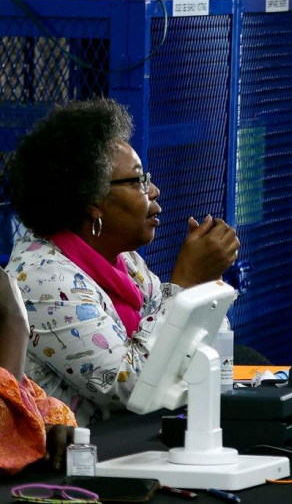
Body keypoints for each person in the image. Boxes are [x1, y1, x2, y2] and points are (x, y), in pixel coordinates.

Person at [5, 98, 240, 426]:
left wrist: (202, 288)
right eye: (137, 181)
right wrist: (188, 285)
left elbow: (204, 354)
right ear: (93, 202)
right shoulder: (43, 281)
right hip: (81, 464)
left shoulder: (123, 262)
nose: (154, 190)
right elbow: (134, 388)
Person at [1, 265, 77, 475]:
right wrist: (15, 321)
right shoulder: (44, 275)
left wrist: (46, 430)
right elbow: (127, 383)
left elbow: (45, 411)